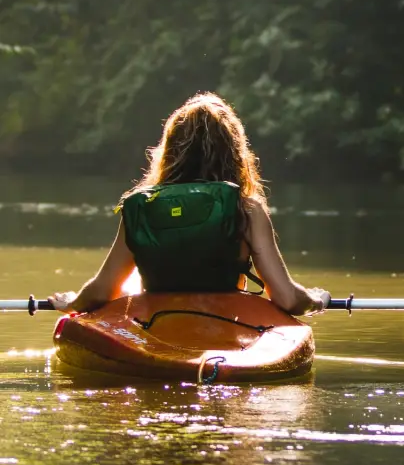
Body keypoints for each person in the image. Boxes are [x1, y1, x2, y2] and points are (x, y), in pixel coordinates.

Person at [49, 93, 330, 316]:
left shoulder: (142, 207)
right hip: (225, 327)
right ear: (234, 153)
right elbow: (287, 298)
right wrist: (316, 300)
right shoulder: (247, 210)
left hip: (156, 326)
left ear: (170, 151)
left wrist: (73, 302)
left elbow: (102, 291)